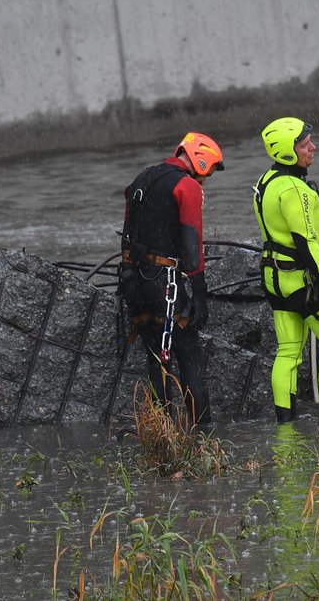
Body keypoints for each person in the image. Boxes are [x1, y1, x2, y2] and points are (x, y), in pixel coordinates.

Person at [253, 117, 319, 425]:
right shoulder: (295, 190)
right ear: (287, 152)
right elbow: (308, 244)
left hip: (274, 280)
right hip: (301, 283)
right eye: (303, 144)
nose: (312, 147)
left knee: (288, 350)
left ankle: (285, 424)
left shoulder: (265, 183)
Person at [118, 132, 224, 425]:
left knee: (156, 357)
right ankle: (203, 432)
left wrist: (128, 275)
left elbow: (127, 235)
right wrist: (200, 295)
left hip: (135, 282)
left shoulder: (142, 179)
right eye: (209, 173)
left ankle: (162, 431)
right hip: (164, 282)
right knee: (188, 352)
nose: (205, 181)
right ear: (201, 160)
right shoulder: (187, 186)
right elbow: (192, 244)